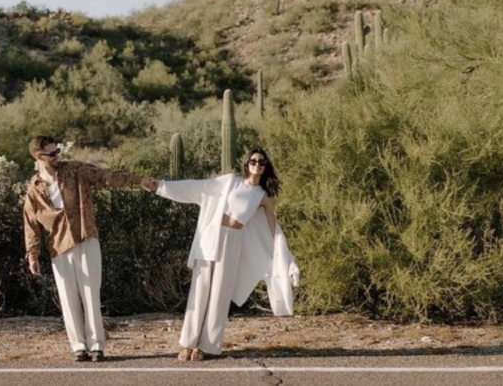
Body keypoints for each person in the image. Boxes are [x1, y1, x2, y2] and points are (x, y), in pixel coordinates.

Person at [140, 147, 299, 361]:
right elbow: (198, 187)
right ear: (247, 163)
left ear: (266, 167)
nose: (257, 165)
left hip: (232, 241)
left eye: (262, 162)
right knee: (200, 289)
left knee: (219, 294)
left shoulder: (263, 197)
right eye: (253, 161)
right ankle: (188, 343)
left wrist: (287, 259)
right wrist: (160, 186)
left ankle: (208, 346)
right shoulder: (230, 182)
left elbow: (274, 229)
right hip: (211, 236)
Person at [22, 135, 155, 362]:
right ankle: (78, 347)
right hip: (58, 245)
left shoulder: (75, 170)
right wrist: (32, 254)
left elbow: (105, 177)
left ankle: (97, 345)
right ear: (38, 156)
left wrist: (138, 180)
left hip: (85, 237)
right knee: (68, 297)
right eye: (51, 154)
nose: (57, 156)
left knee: (91, 294)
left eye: (58, 151)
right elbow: (31, 224)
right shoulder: (34, 190)